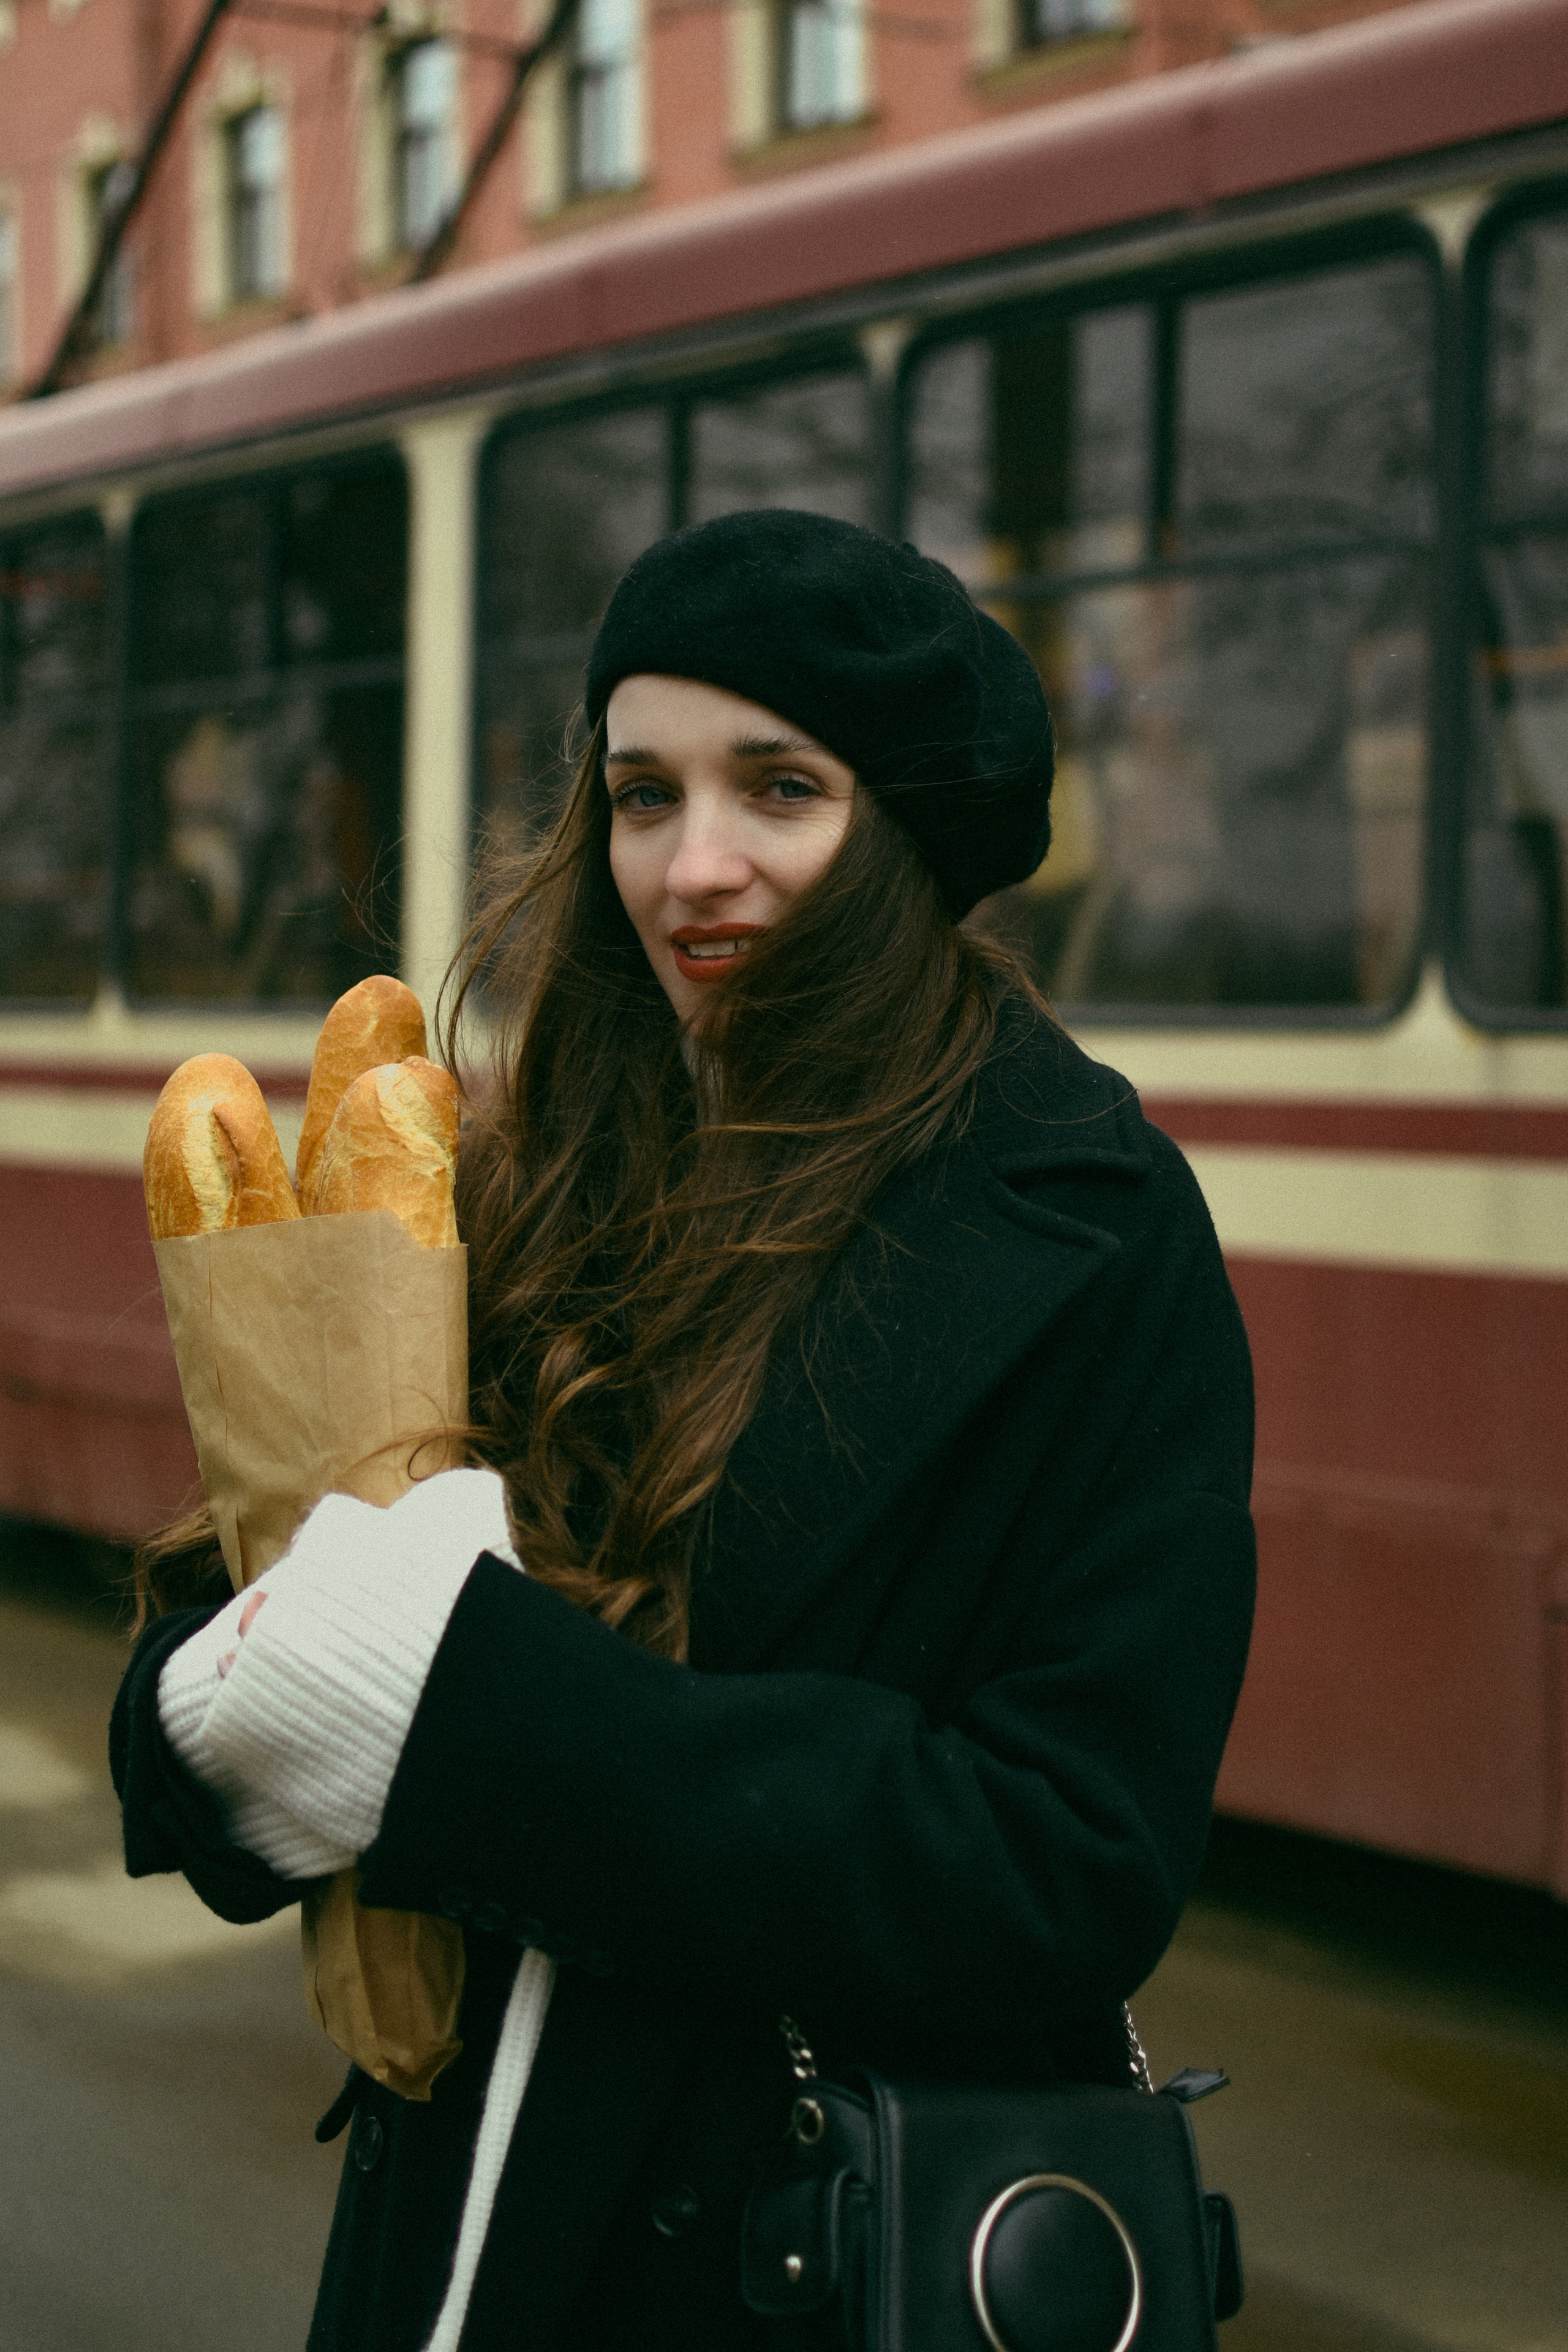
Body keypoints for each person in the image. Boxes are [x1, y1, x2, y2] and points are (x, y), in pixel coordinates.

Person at [111, 510, 1256, 2352]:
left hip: (791, 2247)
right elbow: (247, 1604)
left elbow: (1064, 1858)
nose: (692, 867)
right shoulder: (531, 1160)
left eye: (779, 791)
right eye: (643, 794)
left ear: (901, 826)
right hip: (457, 2236)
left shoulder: (1097, 1231)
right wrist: (218, 1715)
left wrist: (459, 1713)